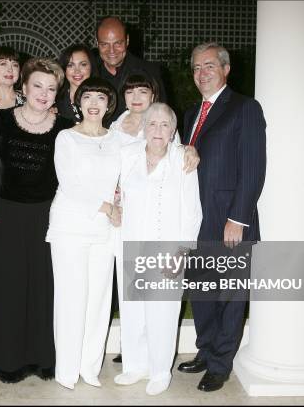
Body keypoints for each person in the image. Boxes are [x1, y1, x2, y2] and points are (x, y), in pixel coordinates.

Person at [177, 42, 266, 392]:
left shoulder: (245, 108)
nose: (202, 73)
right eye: (197, 67)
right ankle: (205, 350)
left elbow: (253, 167)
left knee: (229, 295)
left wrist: (239, 218)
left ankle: (220, 364)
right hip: (196, 219)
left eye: (210, 66)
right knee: (201, 291)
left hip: (229, 220)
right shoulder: (189, 115)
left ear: (226, 69)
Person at [0, 58, 73, 383]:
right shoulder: (0, 120)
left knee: (44, 288)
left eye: (51, 88)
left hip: (48, 217)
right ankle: (7, 362)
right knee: (7, 287)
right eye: (37, 86)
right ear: (24, 88)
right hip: (5, 215)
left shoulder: (65, 127)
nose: (44, 93)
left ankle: (42, 360)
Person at [113, 102, 202, 396]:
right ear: (143, 127)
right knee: (133, 310)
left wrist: (182, 252)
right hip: (131, 243)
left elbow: (192, 211)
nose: (158, 130)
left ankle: (160, 369)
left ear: (174, 130)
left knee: (163, 311)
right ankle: (135, 366)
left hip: (168, 249)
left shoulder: (182, 160)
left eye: (165, 125)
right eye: (152, 124)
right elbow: (113, 192)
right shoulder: (126, 156)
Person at [46, 77, 122, 389]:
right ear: (78, 102)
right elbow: (70, 183)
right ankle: (66, 371)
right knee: (71, 299)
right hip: (71, 228)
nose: (93, 103)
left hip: (104, 231)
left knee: (99, 301)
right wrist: (107, 206)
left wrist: (119, 200)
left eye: (100, 98)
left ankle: (89, 367)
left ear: (109, 104)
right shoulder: (66, 137)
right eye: (87, 97)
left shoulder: (117, 138)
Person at [95, 16, 167, 122]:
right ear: (97, 43)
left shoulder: (150, 71)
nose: (111, 51)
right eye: (104, 44)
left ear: (127, 40)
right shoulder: (89, 71)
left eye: (117, 43)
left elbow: (162, 115)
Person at [56, 44, 98, 123]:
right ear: (64, 69)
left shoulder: (103, 97)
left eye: (83, 64)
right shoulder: (55, 100)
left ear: (91, 66)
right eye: (70, 65)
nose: (77, 71)